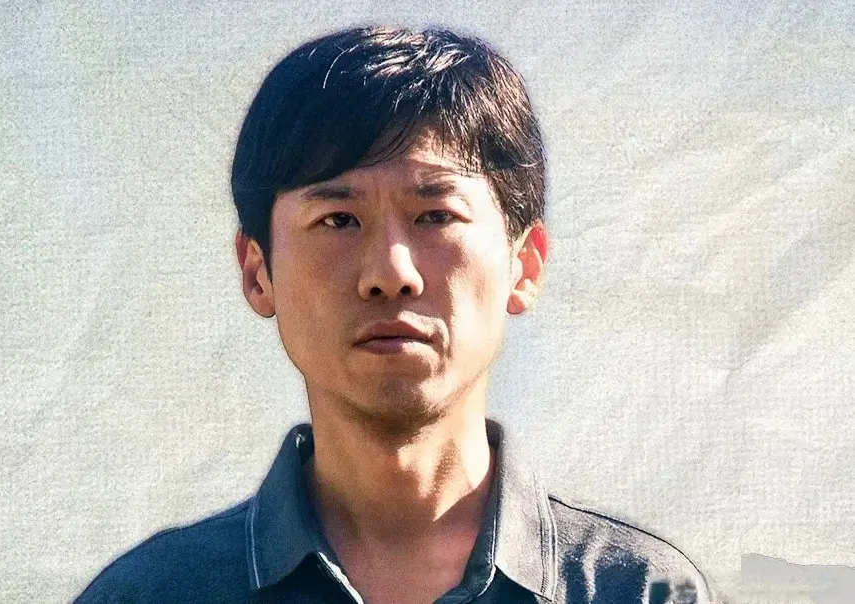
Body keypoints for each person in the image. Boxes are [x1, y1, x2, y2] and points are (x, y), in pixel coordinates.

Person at [76, 26, 718, 604]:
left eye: (435, 215)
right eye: (338, 219)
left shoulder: (640, 592)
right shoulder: (151, 594)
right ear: (257, 272)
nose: (390, 273)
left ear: (524, 266)